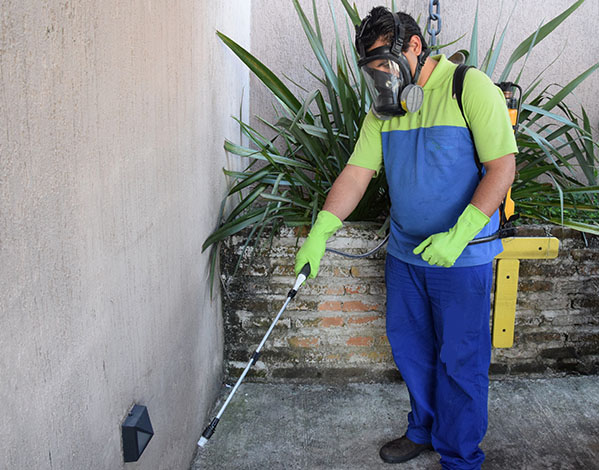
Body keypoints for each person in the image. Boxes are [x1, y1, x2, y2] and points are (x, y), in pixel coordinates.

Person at [294, 6, 518, 470]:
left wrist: (458, 236)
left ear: (413, 47)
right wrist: (321, 229)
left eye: (384, 63)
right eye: (371, 68)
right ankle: (423, 429)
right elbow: (357, 173)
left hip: (462, 258)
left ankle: (458, 456)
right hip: (405, 254)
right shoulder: (385, 109)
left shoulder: (468, 87)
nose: (380, 75)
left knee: (460, 360)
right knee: (411, 350)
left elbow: (502, 168)